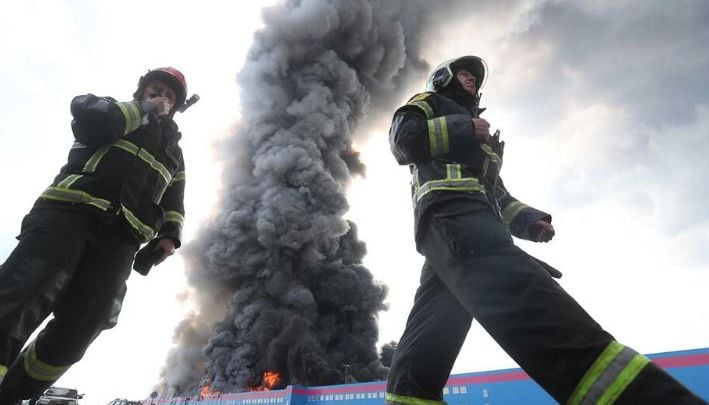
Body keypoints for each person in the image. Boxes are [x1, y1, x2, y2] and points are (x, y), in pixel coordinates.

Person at [384, 56, 706, 404]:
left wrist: (528, 221)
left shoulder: (481, 132)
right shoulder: (429, 103)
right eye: (464, 74)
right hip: (454, 216)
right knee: (521, 294)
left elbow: (495, 193)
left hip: (457, 231)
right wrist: (463, 129)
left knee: (429, 339)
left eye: (475, 79)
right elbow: (404, 139)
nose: (471, 81)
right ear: (443, 78)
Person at [0, 67, 192, 402]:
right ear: (141, 93)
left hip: (121, 238)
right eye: (154, 90)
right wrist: (142, 112)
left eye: (169, 95)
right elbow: (88, 116)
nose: (161, 97)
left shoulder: (175, 153)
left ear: (176, 106)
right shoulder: (114, 111)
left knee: (89, 320)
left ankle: (12, 394)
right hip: (68, 214)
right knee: (25, 290)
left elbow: (174, 202)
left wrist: (169, 237)